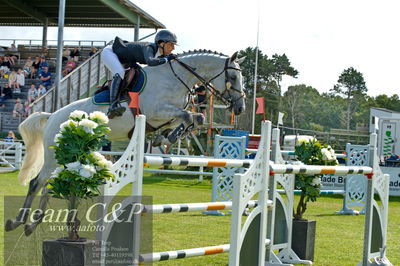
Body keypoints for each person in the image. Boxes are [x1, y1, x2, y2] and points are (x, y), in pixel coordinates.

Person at [101, 29, 178, 117]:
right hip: (110, 52)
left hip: (127, 60)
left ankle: (134, 105)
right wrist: (167, 59)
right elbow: (151, 62)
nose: (173, 48)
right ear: (161, 43)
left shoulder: (160, 55)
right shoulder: (149, 47)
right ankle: (113, 106)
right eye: (171, 44)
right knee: (120, 72)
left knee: (140, 75)